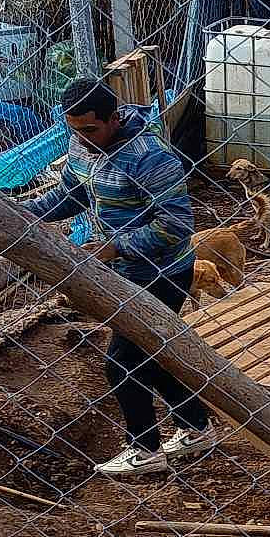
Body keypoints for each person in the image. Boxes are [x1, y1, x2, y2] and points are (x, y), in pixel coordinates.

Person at [25, 77, 214, 478]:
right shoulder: (82, 142)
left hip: (162, 272)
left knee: (123, 362)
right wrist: (29, 212)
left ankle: (144, 449)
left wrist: (114, 247)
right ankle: (196, 426)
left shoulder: (150, 157)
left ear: (115, 117)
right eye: (73, 130)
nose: (81, 138)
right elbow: (73, 193)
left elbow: (177, 224)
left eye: (90, 130)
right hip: (122, 273)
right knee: (150, 353)